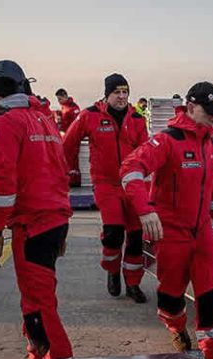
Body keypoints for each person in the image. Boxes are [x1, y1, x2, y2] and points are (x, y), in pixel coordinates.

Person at [120, 81, 213, 359]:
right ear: (190, 107)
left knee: (212, 298)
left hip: (203, 234)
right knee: (171, 297)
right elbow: (131, 169)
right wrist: (145, 211)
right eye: (208, 112)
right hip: (171, 234)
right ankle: (176, 326)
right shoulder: (167, 141)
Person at [0, 60, 73, 359]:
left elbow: (3, 185)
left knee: (39, 303)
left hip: (33, 224)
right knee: (37, 298)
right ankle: (37, 355)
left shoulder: (5, 122)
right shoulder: (42, 118)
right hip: (54, 218)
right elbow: (60, 169)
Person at [63, 73, 149, 303]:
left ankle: (133, 283)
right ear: (107, 94)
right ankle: (112, 270)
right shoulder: (89, 115)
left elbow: (146, 152)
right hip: (106, 184)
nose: (122, 96)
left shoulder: (138, 117)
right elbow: (67, 146)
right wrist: (65, 172)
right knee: (113, 233)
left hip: (133, 184)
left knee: (136, 236)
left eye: (125, 92)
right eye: (117, 92)